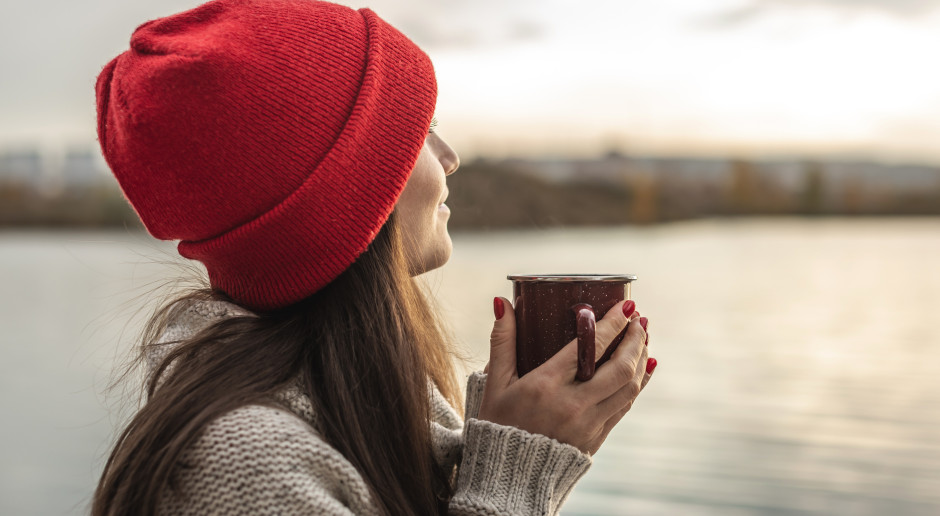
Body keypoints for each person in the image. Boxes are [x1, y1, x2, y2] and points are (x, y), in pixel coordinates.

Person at [92, 1, 657, 514]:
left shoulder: (360, 394)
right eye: (421, 130)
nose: (450, 157)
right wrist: (511, 482)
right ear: (347, 195)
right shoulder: (245, 463)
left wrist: (502, 437)